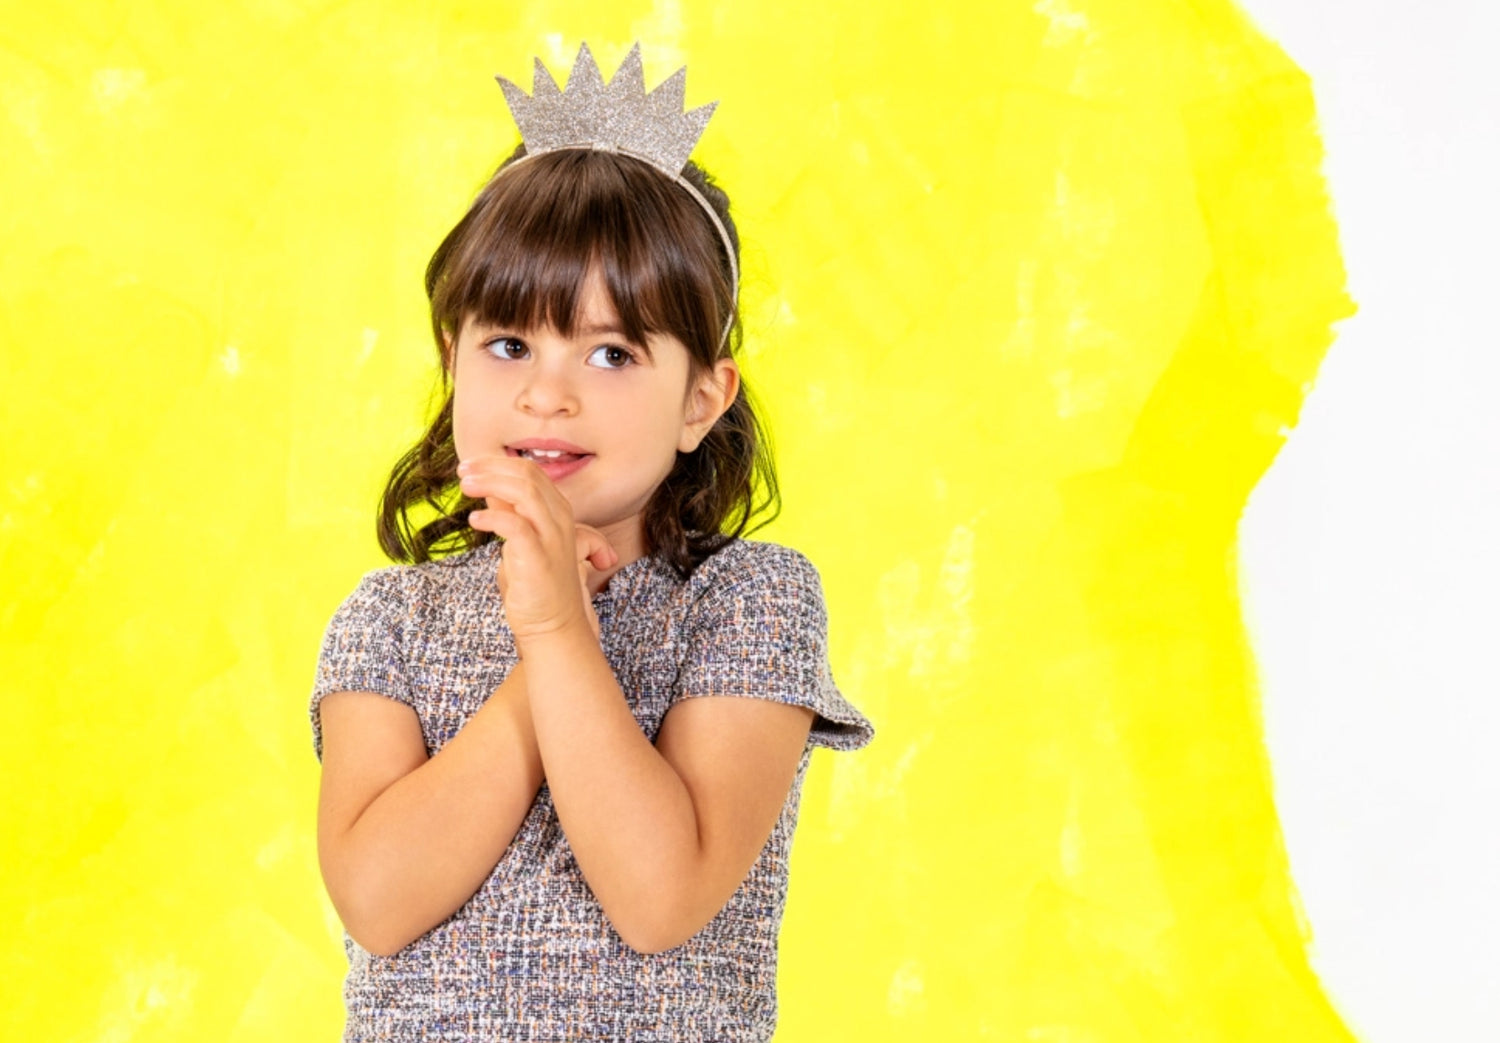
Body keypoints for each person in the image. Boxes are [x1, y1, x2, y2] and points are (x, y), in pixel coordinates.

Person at [308, 42, 875, 1041]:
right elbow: (379, 899)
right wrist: (538, 650)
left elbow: (659, 897)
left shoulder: (747, 600)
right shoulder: (389, 617)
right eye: (508, 343)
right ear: (453, 361)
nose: (547, 392)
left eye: (611, 350)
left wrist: (568, 635)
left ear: (702, 398)